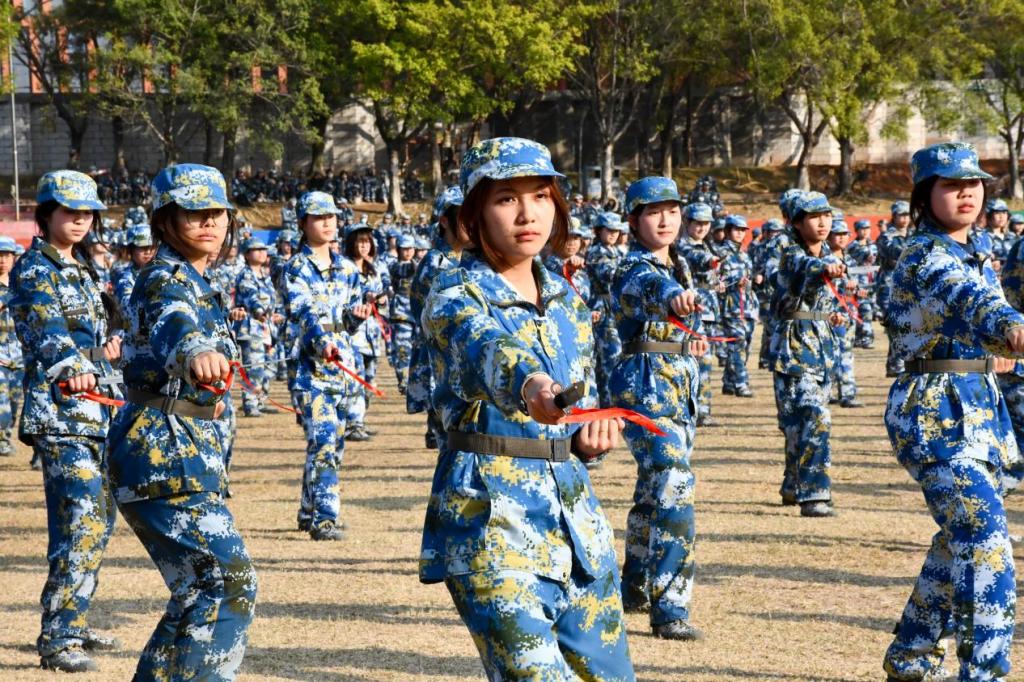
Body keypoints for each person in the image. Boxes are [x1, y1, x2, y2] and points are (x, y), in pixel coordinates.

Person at [420, 137, 633, 679]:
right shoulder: (453, 294)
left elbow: (576, 409)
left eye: (540, 196)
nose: (527, 214)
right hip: (494, 524)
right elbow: (486, 347)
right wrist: (533, 384)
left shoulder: (568, 302)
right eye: (506, 199)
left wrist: (587, 437)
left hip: (576, 526)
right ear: (473, 214)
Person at [107, 164, 257, 680]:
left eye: (216, 212)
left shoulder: (195, 279)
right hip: (163, 452)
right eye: (194, 213)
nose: (209, 222)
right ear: (165, 220)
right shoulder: (165, 279)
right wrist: (196, 352)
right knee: (229, 583)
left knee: (196, 590)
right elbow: (176, 323)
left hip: (177, 448)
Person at [883, 142, 1024, 682]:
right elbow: (971, 300)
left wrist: (1004, 348)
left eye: (973, 183)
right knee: (985, 543)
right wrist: (1010, 326)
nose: (966, 192)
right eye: (950, 184)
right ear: (925, 196)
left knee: (958, 538)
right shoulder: (926, 255)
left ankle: (911, 654)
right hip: (934, 414)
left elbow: (987, 323)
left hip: (979, 411)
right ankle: (984, 674)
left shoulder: (977, 250)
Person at [10, 171, 122, 673]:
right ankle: (59, 637)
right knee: (82, 518)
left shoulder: (85, 269)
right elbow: (48, 332)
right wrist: (71, 364)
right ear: (47, 213)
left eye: (87, 212)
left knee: (97, 521)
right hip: (59, 413)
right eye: (69, 211)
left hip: (97, 411)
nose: (80, 220)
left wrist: (107, 352)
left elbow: (90, 341)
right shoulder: (36, 268)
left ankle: (71, 618)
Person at [610, 176, 709, 640]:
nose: (665, 220)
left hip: (678, 389)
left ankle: (634, 586)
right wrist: (673, 298)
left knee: (654, 492)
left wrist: (690, 340)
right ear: (634, 221)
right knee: (675, 483)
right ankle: (670, 606)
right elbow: (651, 289)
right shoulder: (633, 267)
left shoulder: (681, 263)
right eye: (653, 212)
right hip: (645, 391)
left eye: (672, 210)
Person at [285, 191, 370, 540]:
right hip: (310, 368)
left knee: (333, 444)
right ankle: (324, 518)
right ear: (303, 223)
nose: (327, 223)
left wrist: (357, 316)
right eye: (319, 217)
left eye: (331, 216)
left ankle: (308, 510)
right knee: (321, 441)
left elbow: (348, 320)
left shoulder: (347, 268)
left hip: (342, 367)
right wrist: (322, 343)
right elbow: (302, 313)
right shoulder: (296, 267)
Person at [769, 191, 845, 518]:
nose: (823, 222)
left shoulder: (828, 253)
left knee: (800, 422)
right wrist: (825, 266)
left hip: (822, 348)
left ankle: (793, 484)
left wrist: (832, 315)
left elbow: (822, 298)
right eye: (814, 217)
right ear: (797, 223)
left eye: (826, 215)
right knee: (812, 417)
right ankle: (814, 494)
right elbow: (805, 267)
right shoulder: (789, 251)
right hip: (794, 348)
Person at [407, 186, 467, 450]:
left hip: (461, 365)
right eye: (464, 216)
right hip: (444, 365)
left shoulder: (468, 260)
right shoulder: (437, 263)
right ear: (445, 221)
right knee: (453, 446)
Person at [678, 202, 721, 425]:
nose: (702, 227)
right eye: (698, 223)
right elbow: (698, 260)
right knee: (699, 361)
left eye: (706, 223)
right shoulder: (684, 247)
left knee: (705, 361)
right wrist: (712, 261)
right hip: (693, 314)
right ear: (687, 223)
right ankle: (697, 409)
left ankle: (702, 408)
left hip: (708, 312)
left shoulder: (705, 246)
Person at [343, 221, 387, 442]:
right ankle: (353, 424)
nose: (364, 246)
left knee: (369, 381)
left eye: (367, 242)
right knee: (356, 379)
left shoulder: (373, 269)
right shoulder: (343, 268)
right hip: (353, 334)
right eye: (360, 242)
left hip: (371, 334)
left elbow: (381, 299)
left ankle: (358, 420)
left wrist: (382, 300)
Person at [234, 237, 281, 418]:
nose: (262, 253)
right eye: (257, 250)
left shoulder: (265, 275)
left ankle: (261, 401)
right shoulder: (245, 275)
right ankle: (250, 403)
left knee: (269, 367)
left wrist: (275, 314)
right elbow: (251, 298)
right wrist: (260, 311)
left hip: (267, 329)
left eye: (264, 249)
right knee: (254, 367)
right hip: (251, 328)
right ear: (247, 254)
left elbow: (272, 300)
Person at [825, 219, 863, 408]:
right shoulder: (825, 261)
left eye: (844, 234)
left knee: (844, 352)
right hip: (832, 314)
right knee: (834, 353)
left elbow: (859, 288)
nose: (841, 238)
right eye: (837, 234)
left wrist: (857, 291)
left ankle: (836, 392)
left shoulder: (851, 260)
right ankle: (845, 394)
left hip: (849, 313)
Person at [718, 214, 757, 397]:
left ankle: (728, 382)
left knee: (745, 345)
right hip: (730, 306)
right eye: (737, 230)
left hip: (747, 306)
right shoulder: (721, 254)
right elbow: (716, 282)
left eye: (743, 230)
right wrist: (734, 282)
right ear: (727, 231)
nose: (740, 233)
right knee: (738, 342)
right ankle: (741, 383)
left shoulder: (744, 255)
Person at [0, 236, 23, 457]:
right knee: (2, 405)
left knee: (16, 403)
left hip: (19, 356)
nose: (2, 260)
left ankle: (7, 433)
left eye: (6, 255)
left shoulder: (21, 286)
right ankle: (2, 441)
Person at [388, 234, 418, 395]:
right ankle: (404, 381)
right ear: (399, 250)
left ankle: (415, 380)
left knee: (418, 349)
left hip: (417, 313)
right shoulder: (394, 266)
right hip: (401, 313)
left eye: (411, 248)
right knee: (402, 349)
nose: (408, 252)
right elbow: (402, 270)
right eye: (405, 249)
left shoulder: (419, 265)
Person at [111, 224, 157, 315]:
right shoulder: (125, 277)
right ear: (131, 249)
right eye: (142, 247)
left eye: (152, 247)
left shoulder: (161, 271)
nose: (148, 252)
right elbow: (128, 309)